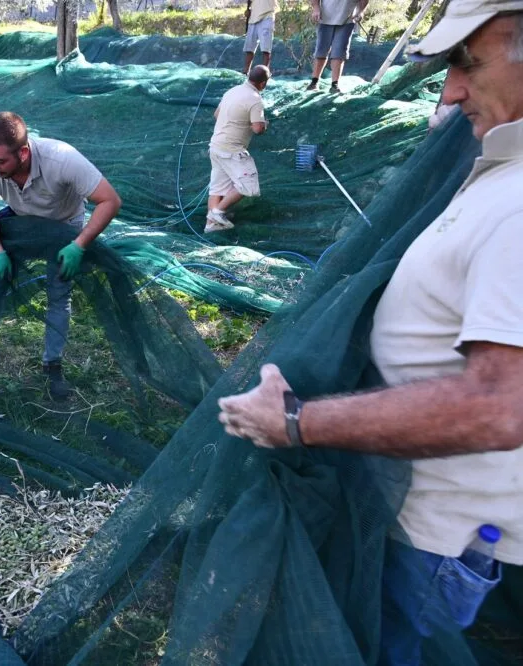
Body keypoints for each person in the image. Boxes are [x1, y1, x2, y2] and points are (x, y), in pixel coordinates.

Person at [217, 1, 523, 662]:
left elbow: (501, 404)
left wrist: (295, 421)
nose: (451, 90)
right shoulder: (502, 169)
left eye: (469, 62)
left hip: (429, 534)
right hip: (402, 511)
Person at [0, 112, 122, 401]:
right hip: (19, 220)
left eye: (0, 161)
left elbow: (110, 200)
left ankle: (52, 364)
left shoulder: (63, 159)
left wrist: (79, 245)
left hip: (64, 226)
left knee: (59, 293)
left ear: (24, 152)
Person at [205, 65, 270, 233]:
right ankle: (217, 213)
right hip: (232, 150)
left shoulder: (232, 91)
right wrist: (264, 123)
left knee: (218, 187)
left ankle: (210, 224)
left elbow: (216, 115)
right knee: (248, 186)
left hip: (216, 145)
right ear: (263, 83)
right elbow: (258, 129)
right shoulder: (255, 99)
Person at [306, 0, 370, 93]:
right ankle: (314, 82)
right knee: (321, 50)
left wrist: (360, 11)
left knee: (339, 52)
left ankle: (335, 84)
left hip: (347, 20)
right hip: (325, 17)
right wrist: (316, 8)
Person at [244, 0, 277, 74]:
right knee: (249, 49)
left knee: (266, 49)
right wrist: (248, 11)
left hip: (267, 16)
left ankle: (264, 74)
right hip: (253, 18)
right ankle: (246, 72)